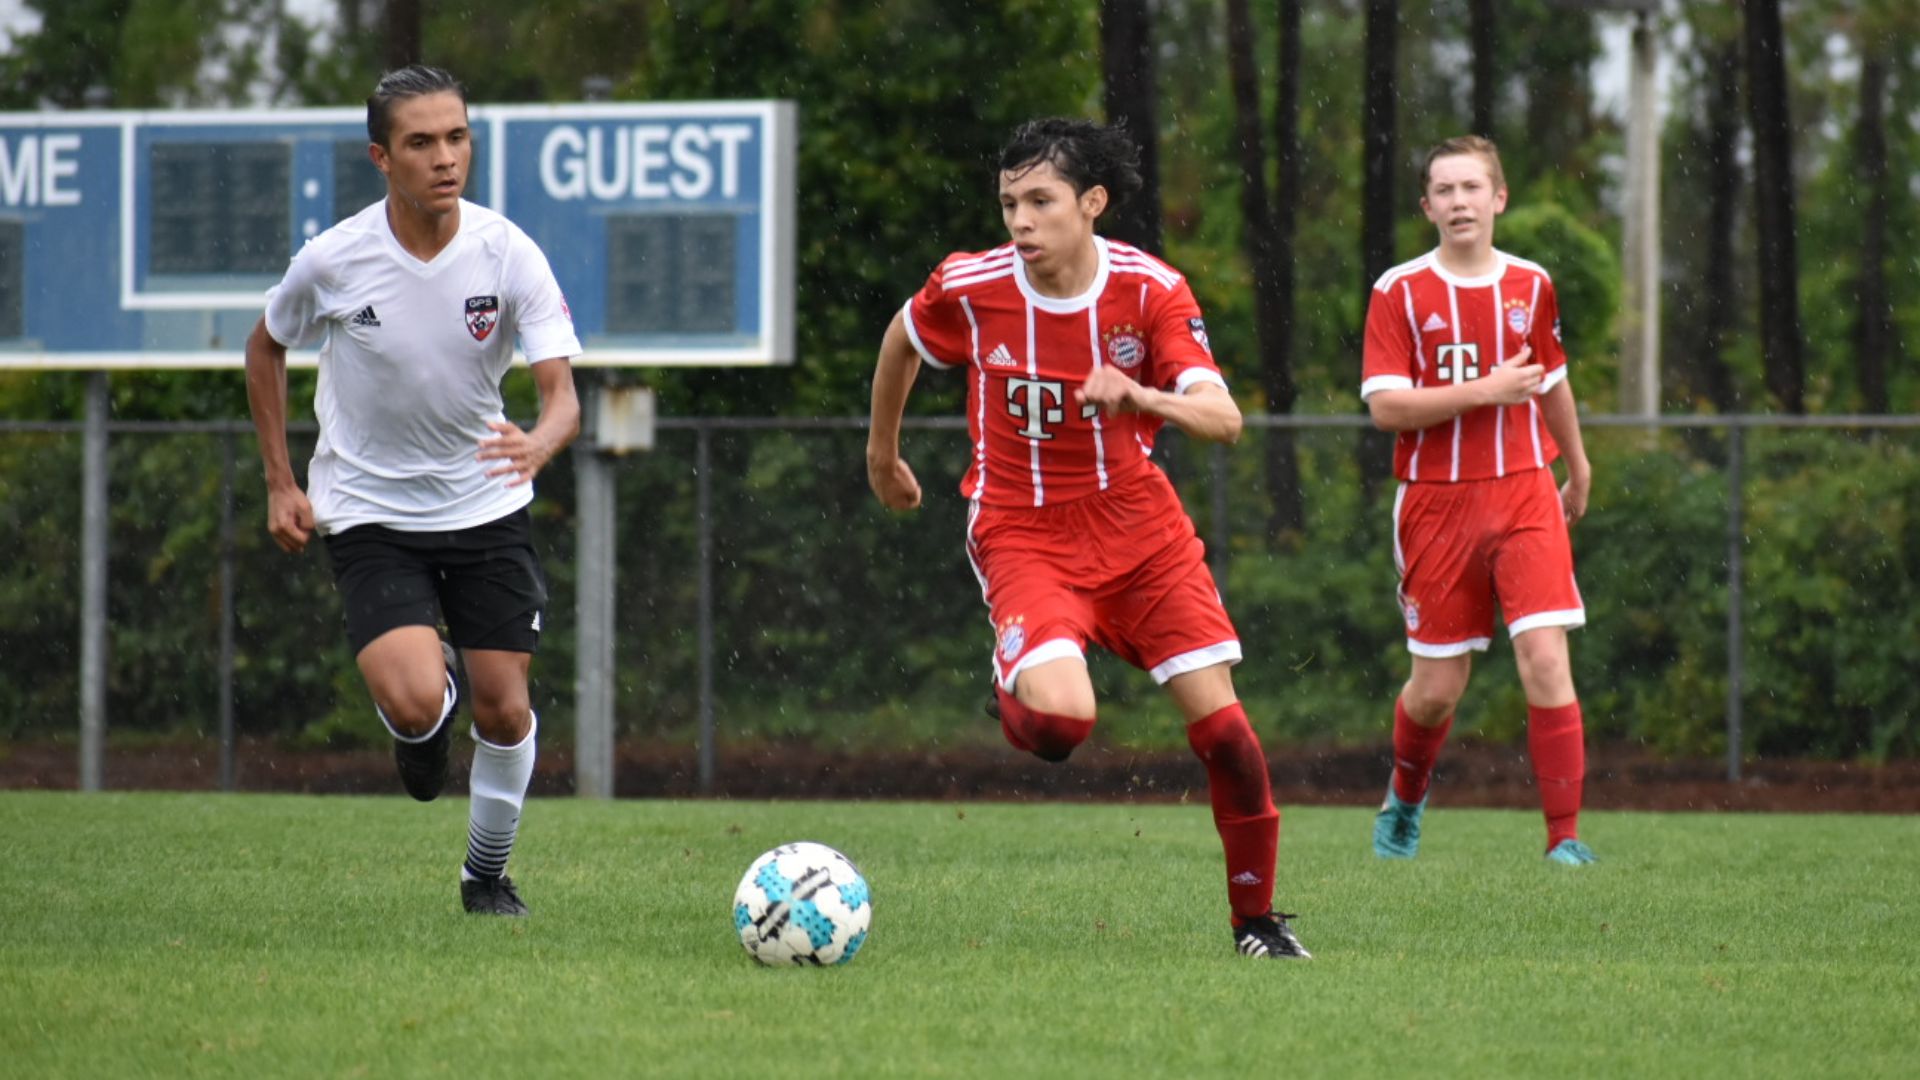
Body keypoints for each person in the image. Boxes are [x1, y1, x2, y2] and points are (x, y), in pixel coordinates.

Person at [867, 118, 1309, 959]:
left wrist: (1145, 398)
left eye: (1040, 201)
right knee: (1064, 726)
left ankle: (1257, 924)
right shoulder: (972, 287)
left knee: (1231, 740)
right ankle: (1014, 678)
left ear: (1092, 203)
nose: (1020, 221)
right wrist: (881, 455)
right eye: (1009, 203)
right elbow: (902, 341)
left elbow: (1224, 419)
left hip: (1141, 532)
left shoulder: (1151, 292)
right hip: (1022, 530)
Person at [244, 65, 581, 915]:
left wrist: (540, 440)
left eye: (457, 136)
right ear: (381, 158)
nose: (445, 157)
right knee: (416, 699)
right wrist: (282, 481)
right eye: (421, 142)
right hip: (369, 511)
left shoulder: (507, 253)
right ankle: (427, 725)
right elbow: (266, 346)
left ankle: (486, 875)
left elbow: (561, 395)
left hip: (485, 505)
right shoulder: (335, 259)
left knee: (505, 715)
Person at [1359, 135, 1596, 865]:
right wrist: (1484, 390)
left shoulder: (1532, 283)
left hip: (1525, 487)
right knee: (1437, 688)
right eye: (1444, 190)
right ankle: (1405, 799)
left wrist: (1579, 468)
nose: (1459, 201)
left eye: (1472, 188)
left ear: (1498, 198)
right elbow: (1387, 408)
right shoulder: (1398, 291)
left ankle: (1565, 840)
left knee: (1546, 660)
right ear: (1427, 206)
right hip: (1435, 502)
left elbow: (1551, 380)